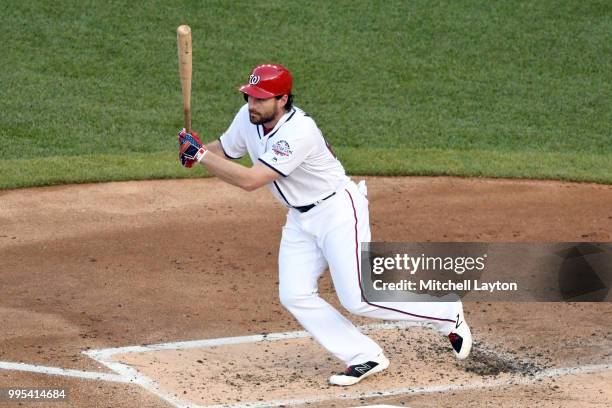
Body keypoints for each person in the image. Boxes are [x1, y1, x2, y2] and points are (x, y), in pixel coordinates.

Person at [177, 63, 472, 386]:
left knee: (358, 298)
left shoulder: (298, 132)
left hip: (337, 212)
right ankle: (363, 355)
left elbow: (250, 180)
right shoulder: (248, 118)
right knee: (295, 294)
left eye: (261, 99)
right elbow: (227, 150)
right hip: (300, 217)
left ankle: (445, 312)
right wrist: (196, 150)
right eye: (250, 97)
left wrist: (202, 155)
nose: (252, 105)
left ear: (283, 99)